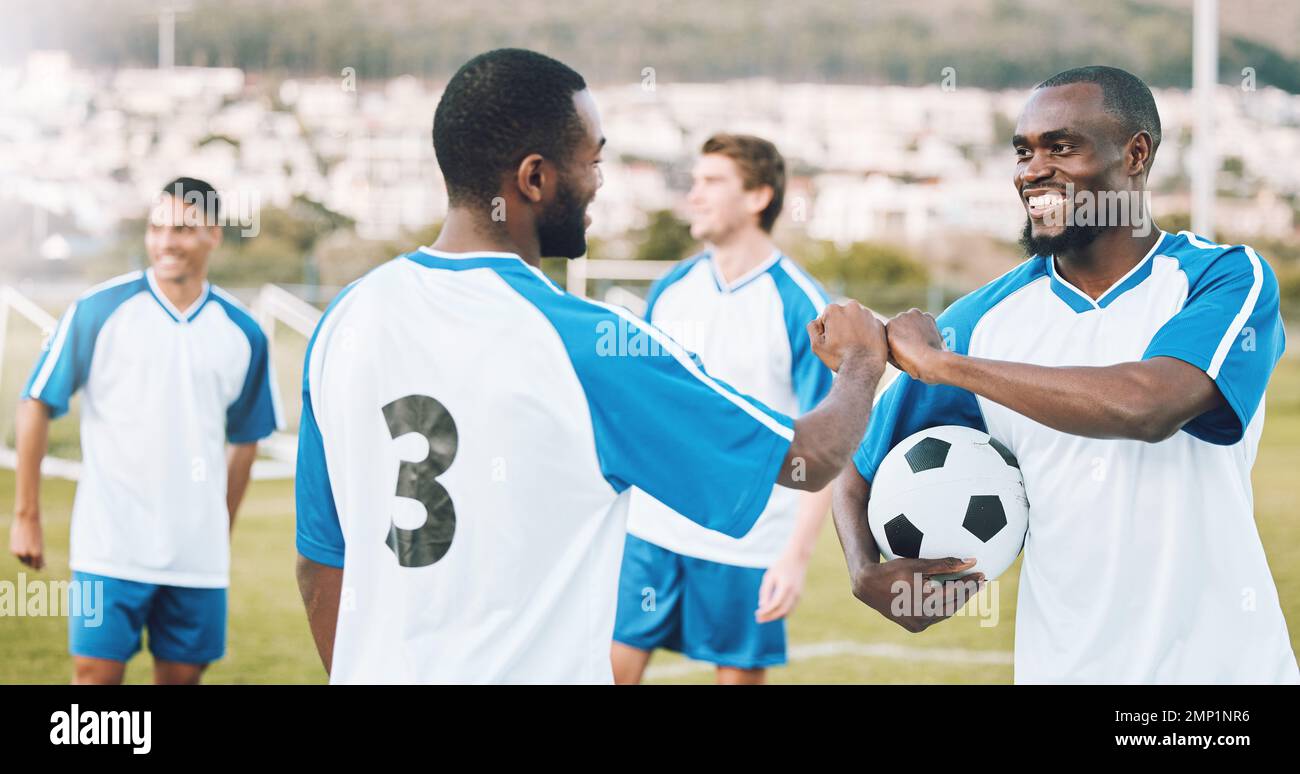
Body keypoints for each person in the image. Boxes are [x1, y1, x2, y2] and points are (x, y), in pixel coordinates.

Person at [294, 48, 889, 684]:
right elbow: (809, 456)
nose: (601, 181)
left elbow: (320, 563)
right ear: (534, 178)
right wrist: (860, 361)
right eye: (593, 160)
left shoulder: (343, 322)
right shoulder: (592, 346)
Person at [834, 66, 1299, 684]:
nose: (1032, 170)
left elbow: (1149, 405)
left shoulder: (1221, 279)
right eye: (1024, 151)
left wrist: (946, 366)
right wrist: (865, 568)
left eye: (1062, 146)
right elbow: (855, 466)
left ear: (1136, 154)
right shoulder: (981, 320)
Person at [9, 177, 282, 684]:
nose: (165, 241)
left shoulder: (243, 332)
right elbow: (35, 402)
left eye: (183, 227)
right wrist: (26, 515)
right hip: (107, 547)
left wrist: (216, 528)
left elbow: (247, 440)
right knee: (93, 683)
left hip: (195, 559)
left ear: (214, 235)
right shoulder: (98, 310)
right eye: (157, 227)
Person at [612, 134, 834, 685]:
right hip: (653, 530)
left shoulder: (801, 305)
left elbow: (829, 444)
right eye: (693, 182)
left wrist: (794, 558)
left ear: (758, 196)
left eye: (711, 182)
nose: (694, 195)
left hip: (748, 539)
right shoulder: (671, 289)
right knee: (606, 670)